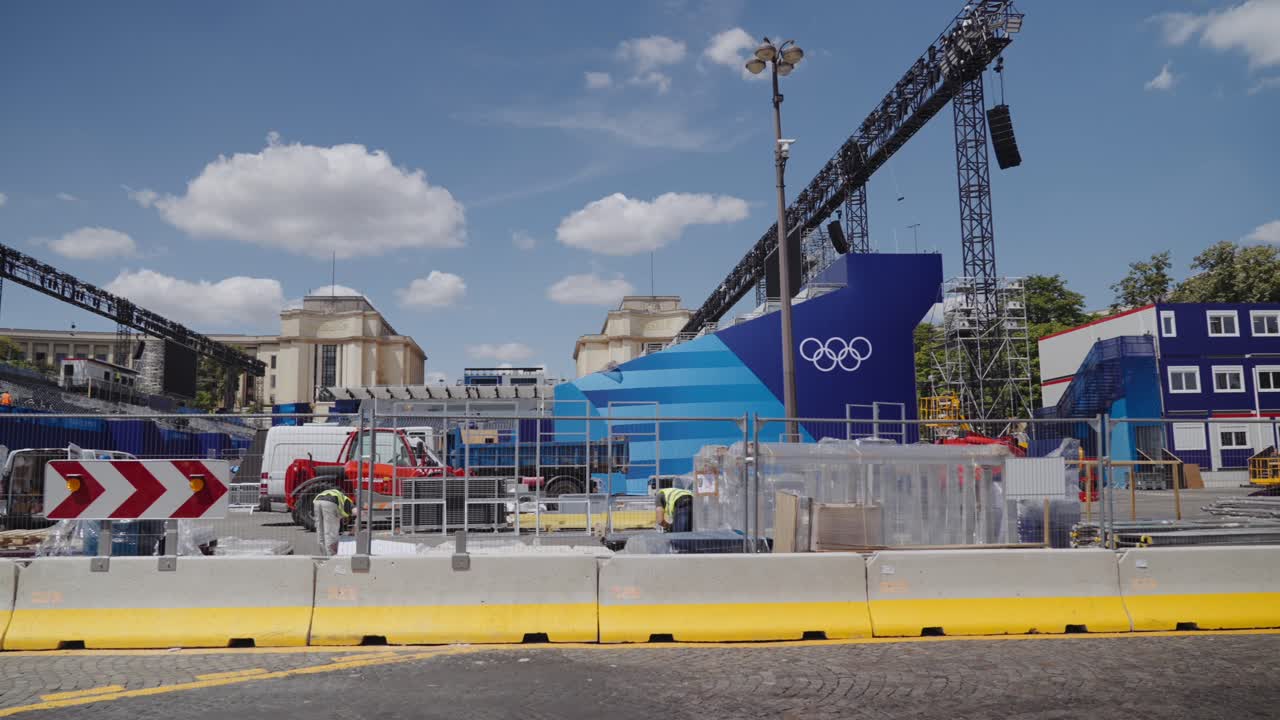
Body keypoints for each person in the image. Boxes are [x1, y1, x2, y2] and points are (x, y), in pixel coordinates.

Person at [313, 487, 355, 556]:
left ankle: (323, 555)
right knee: (330, 532)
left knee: (320, 531)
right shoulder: (347, 501)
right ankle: (331, 556)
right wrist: (355, 528)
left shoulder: (335, 494)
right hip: (330, 502)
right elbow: (356, 511)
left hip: (317, 501)